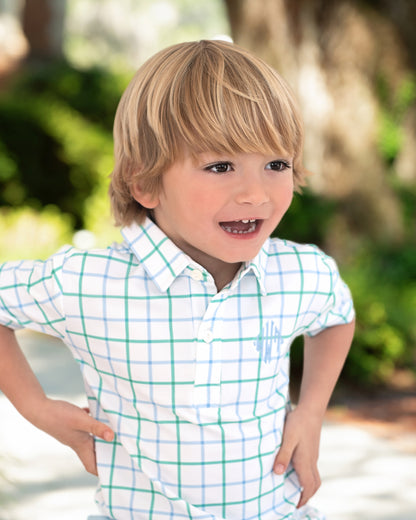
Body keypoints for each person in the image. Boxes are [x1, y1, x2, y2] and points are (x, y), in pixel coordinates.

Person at [0, 39, 355, 520]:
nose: (255, 194)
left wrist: (310, 413)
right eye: (220, 166)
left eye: (276, 164)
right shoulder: (89, 283)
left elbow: (337, 316)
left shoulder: (300, 273)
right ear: (144, 183)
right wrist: (35, 406)